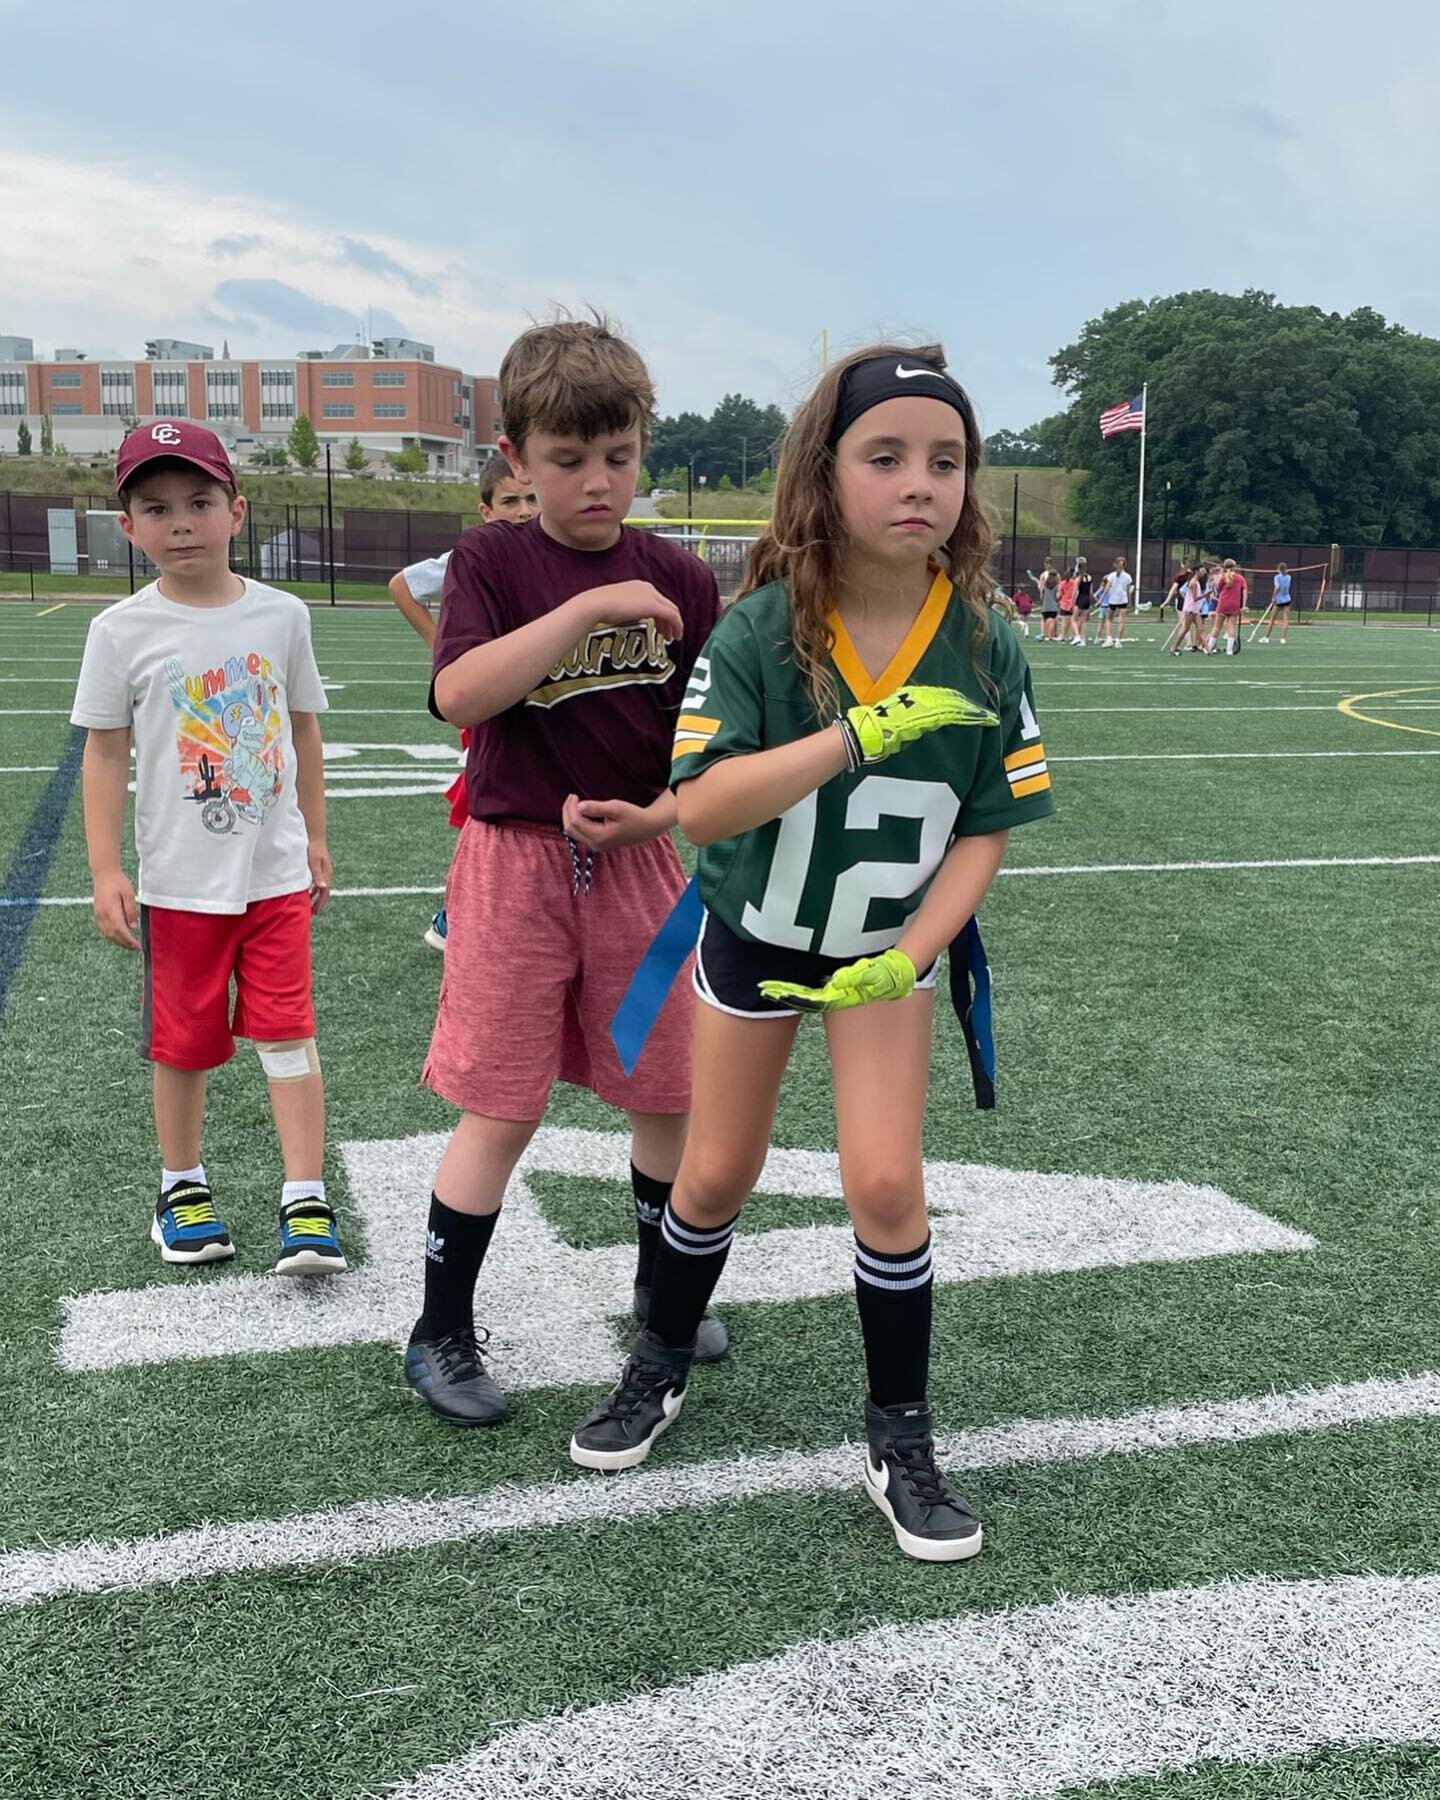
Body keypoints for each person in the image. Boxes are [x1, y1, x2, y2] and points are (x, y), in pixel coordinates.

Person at [567, 343, 1056, 1563]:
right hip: (758, 940)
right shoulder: (760, 630)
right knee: (716, 1174)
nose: (919, 484)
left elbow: (987, 832)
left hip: (887, 954)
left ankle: (901, 1434)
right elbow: (711, 806)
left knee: (888, 1185)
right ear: (821, 476)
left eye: (946, 461)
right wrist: (859, 735)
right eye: (884, 456)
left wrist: (917, 954)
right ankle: (661, 1361)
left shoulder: (990, 643)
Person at [406, 315, 725, 1426]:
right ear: (515, 460)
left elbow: (720, 751)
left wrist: (661, 817)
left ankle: (660, 1290)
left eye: (620, 456)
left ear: (646, 444)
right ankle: (440, 1328)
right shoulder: (494, 559)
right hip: (511, 867)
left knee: (665, 1087)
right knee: (501, 1100)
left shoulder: (680, 572)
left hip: (647, 872)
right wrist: (586, 606)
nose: (598, 482)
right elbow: (461, 695)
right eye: (568, 459)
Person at [70, 422, 343, 1275]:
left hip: (272, 877)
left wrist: (318, 838)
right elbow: (106, 750)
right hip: (181, 884)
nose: (181, 522)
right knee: (181, 1042)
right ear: (128, 527)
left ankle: (306, 1200)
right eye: (156, 508)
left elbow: (302, 728)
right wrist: (107, 867)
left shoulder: (282, 614)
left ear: (237, 510)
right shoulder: (119, 630)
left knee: (288, 1032)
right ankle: (181, 1187)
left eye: (199, 502)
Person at [389, 454, 539, 950]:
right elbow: (403, 586)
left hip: (543, 697)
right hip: (493, 701)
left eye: (531, 498)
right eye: (510, 500)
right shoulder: (472, 558)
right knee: (488, 803)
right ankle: (455, 913)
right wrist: (444, 650)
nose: (522, 510)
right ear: (486, 510)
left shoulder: (556, 551)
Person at [1210, 558, 1247, 655]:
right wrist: (1243, 606)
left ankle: (1209, 647)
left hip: (1223, 603)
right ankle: (1229, 650)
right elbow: (1244, 592)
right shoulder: (1240, 578)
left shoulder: (1223, 577)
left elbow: (1219, 590)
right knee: (1231, 626)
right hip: (1234, 604)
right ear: (1234, 567)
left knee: (1217, 627)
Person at [1170, 562, 1206, 654]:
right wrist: (1206, 594)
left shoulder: (1196, 581)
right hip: (1191, 609)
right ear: (1196, 571)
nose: (1204, 573)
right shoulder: (1193, 582)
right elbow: (1194, 598)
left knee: (1200, 629)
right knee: (1186, 629)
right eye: (1202, 571)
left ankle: (1208, 649)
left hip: (1195, 609)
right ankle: (1174, 647)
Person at [1099, 555, 1133, 645]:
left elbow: (1106, 588)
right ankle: (1118, 641)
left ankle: (1109, 639)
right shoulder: (1127, 576)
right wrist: (1130, 602)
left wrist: (1101, 599)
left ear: (1115, 564)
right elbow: (1128, 591)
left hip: (1113, 601)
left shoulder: (1111, 575)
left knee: (1109, 619)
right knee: (1121, 620)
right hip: (1122, 601)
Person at [1261, 563, 1292, 644]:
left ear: (1278, 569)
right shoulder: (1289, 577)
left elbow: (1277, 587)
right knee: (1285, 620)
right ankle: (1283, 639)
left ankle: (1266, 637)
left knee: (1272, 620)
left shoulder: (1277, 577)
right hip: (1287, 599)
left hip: (1279, 600)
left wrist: (1273, 597)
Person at [1035, 557, 1060, 642]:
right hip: (1052, 598)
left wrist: (1041, 593)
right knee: (1052, 618)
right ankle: (1051, 634)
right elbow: (1059, 586)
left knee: (1046, 617)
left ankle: (1045, 634)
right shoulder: (1056, 574)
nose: (1047, 565)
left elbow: (1041, 588)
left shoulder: (1044, 575)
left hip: (1047, 598)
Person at [1071, 556, 1093, 645]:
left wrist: (1072, 603)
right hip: (1087, 599)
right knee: (1084, 621)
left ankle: (1077, 636)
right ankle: (1083, 640)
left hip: (1080, 598)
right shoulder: (1090, 577)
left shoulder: (1077, 579)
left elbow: (1075, 592)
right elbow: (1091, 592)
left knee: (1073, 619)